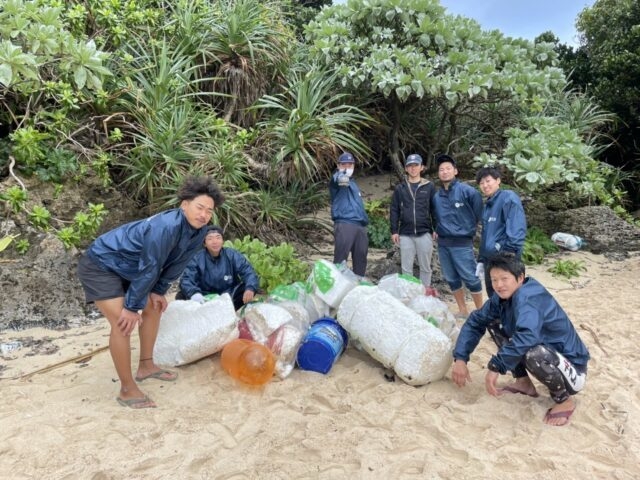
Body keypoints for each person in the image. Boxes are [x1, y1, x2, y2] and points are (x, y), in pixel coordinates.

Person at [77, 176, 225, 409]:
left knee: (154, 307)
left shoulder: (199, 232)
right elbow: (150, 266)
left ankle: (146, 366)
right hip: (102, 264)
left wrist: (158, 291)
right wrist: (131, 306)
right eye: (199, 207)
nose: (204, 214)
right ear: (184, 204)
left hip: (130, 268)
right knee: (122, 323)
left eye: (209, 210)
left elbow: (177, 264)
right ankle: (127, 390)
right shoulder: (166, 226)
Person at [451, 253, 590, 426]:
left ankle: (564, 400)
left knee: (532, 351)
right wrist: (461, 358)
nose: (499, 285)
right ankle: (523, 383)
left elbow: (528, 336)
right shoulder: (502, 298)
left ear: (520, 277)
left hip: (573, 370)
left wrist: (496, 366)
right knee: (494, 323)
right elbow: (476, 321)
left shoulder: (528, 297)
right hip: (549, 355)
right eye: (494, 280)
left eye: (504, 278)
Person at [432, 154, 484, 317]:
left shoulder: (468, 192)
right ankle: (462, 310)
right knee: (451, 278)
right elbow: (435, 216)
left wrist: (467, 229)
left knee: (470, 277)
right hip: (443, 243)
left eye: (448, 168)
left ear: (455, 171)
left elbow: (478, 214)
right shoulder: (436, 196)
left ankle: (481, 311)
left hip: (462, 243)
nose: (445, 172)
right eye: (441, 169)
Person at [177, 225, 260, 311]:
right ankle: (206, 310)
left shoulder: (232, 255)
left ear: (222, 241)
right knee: (181, 296)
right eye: (210, 239)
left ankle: (227, 310)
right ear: (204, 243)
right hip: (205, 297)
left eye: (218, 237)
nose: (215, 242)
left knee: (249, 289)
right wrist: (195, 294)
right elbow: (186, 279)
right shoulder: (197, 258)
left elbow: (248, 272)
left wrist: (250, 288)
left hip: (229, 296)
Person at [476, 166, 526, 297]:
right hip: (489, 260)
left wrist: (508, 257)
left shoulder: (508, 198)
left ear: (498, 180)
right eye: (481, 183)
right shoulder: (487, 205)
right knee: (494, 296)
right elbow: (486, 235)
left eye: (488, 181)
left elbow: (516, 229)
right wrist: (481, 259)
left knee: (508, 296)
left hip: (504, 259)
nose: (485, 185)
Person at [389, 153, 436, 287]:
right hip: (405, 234)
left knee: (425, 268)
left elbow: (434, 209)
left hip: (424, 232)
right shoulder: (400, 188)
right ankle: (408, 296)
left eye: (416, 165)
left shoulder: (429, 187)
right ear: (406, 168)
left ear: (422, 167)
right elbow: (394, 210)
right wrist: (394, 231)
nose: (413, 168)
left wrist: (436, 228)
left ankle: (425, 295)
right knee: (406, 269)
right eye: (410, 166)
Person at [329, 151, 369, 277]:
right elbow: (340, 180)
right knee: (341, 259)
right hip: (345, 223)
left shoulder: (354, 183)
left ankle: (358, 286)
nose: (347, 167)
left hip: (360, 225)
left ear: (354, 165)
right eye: (344, 164)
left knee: (361, 257)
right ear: (338, 165)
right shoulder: (338, 179)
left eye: (350, 164)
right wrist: (342, 173)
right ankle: (336, 287)